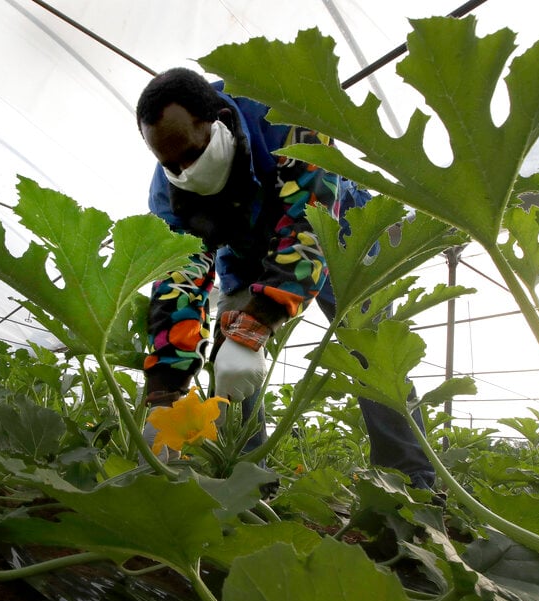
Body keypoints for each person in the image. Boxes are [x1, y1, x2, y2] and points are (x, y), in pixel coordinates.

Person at [135, 67, 434, 489]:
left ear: (218, 118)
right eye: (171, 164)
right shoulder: (168, 193)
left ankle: (412, 479)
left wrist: (256, 327)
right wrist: (165, 392)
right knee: (230, 362)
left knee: (375, 354)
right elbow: (179, 281)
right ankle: (247, 480)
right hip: (245, 253)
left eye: (191, 153)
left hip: (339, 234)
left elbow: (306, 227)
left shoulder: (286, 114)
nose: (185, 171)